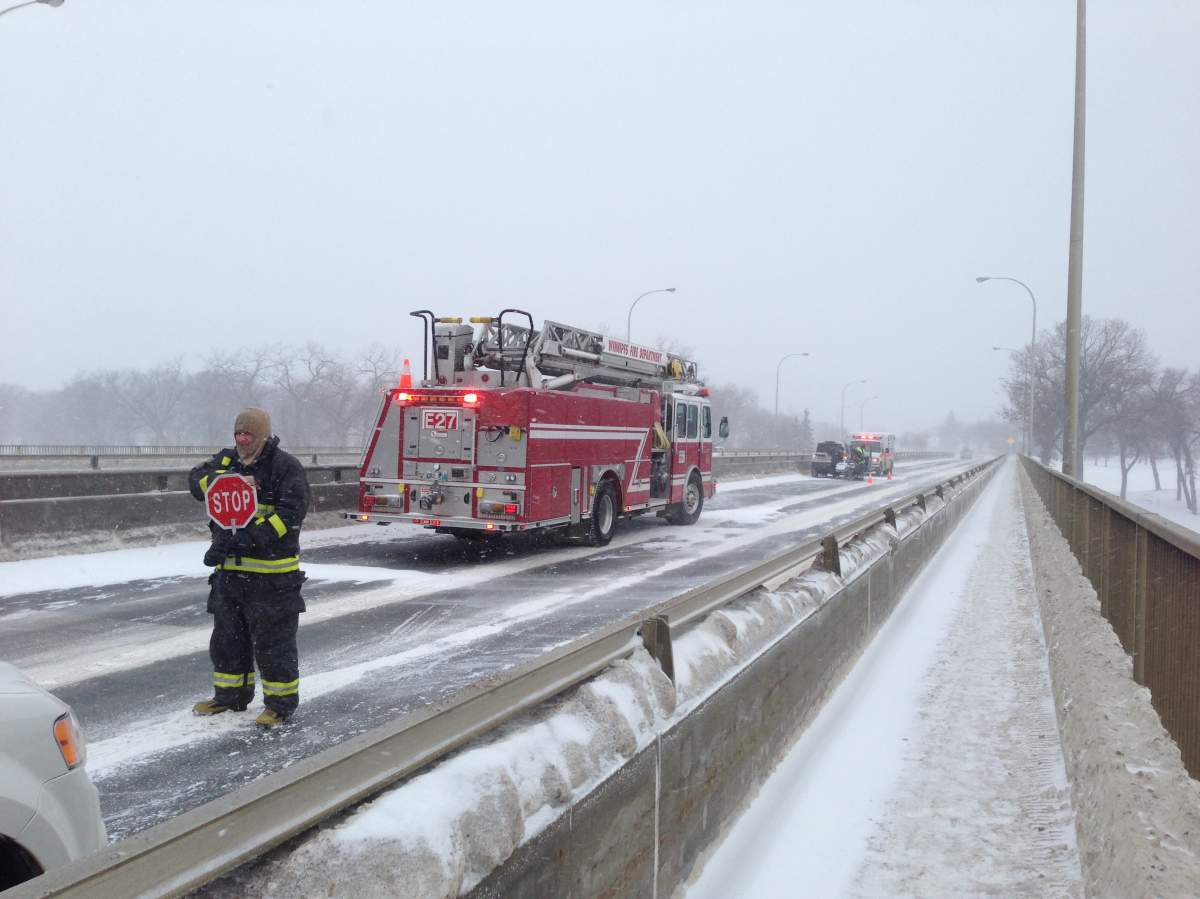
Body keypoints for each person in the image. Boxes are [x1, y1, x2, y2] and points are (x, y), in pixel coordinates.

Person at [188, 408, 310, 727]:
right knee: (228, 640)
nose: (242, 440)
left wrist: (249, 538)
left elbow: (290, 516)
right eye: (238, 434)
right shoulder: (226, 462)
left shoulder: (285, 467)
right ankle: (230, 697)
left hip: (272, 580)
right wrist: (217, 478)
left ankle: (279, 705)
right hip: (229, 577)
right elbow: (195, 482)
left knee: (274, 646)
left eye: (248, 435)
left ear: (263, 435)